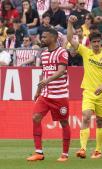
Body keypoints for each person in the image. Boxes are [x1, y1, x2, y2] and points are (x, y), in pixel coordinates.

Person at [67, 15, 102, 159]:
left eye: (98, 42)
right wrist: (69, 23)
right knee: (86, 116)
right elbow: (70, 39)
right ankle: (82, 148)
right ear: (90, 42)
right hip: (88, 91)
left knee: (100, 121)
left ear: (101, 42)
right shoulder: (85, 51)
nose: (96, 44)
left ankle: (98, 150)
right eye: (93, 42)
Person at [26, 28, 70, 162]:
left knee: (63, 122)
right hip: (45, 95)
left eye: (45, 37)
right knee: (35, 117)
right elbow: (44, 73)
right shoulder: (44, 54)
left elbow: (62, 71)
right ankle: (39, 152)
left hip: (60, 95)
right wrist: (38, 90)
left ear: (53, 38)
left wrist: (47, 80)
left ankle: (65, 154)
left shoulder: (62, 52)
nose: (42, 39)